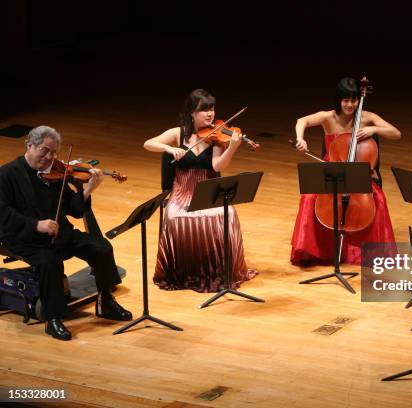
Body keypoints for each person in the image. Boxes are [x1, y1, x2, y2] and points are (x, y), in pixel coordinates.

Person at [0, 126, 132, 341]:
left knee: (101, 247)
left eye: (54, 153)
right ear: (29, 145)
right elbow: (3, 214)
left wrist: (88, 189)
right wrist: (37, 225)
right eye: (44, 151)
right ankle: (52, 319)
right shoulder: (6, 174)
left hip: (60, 234)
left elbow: (75, 210)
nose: (49, 157)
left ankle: (106, 301)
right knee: (50, 262)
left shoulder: (57, 173)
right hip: (23, 238)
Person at [143, 89, 256, 292]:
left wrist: (231, 148)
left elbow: (217, 167)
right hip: (182, 191)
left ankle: (219, 272)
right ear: (191, 113)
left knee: (228, 213)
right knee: (173, 214)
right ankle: (185, 270)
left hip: (208, 190)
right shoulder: (177, 133)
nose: (210, 114)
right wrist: (169, 149)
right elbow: (148, 143)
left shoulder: (215, 136)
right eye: (204, 110)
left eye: (212, 109)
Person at [291, 77, 401, 266]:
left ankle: (370, 251)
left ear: (359, 99)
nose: (350, 105)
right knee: (309, 197)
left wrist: (374, 129)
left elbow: (396, 134)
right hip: (332, 173)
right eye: (345, 100)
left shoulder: (366, 118)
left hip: (358, 174)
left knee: (379, 200)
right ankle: (315, 250)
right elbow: (302, 120)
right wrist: (300, 138)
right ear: (339, 100)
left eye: (354, 100)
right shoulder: (329, 117)